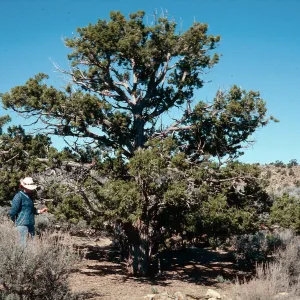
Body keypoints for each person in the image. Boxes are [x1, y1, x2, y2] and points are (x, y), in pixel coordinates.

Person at [9, 177, 48, 245]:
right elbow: (13, 212)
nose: (31, 190)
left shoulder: (29, 197)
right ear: (24, 187)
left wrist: (40, 211)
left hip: (30, 224)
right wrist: (16, 221)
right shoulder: (18, 196)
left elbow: (31, 209)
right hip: (22, 225)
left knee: (30, 246)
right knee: (23, 247)